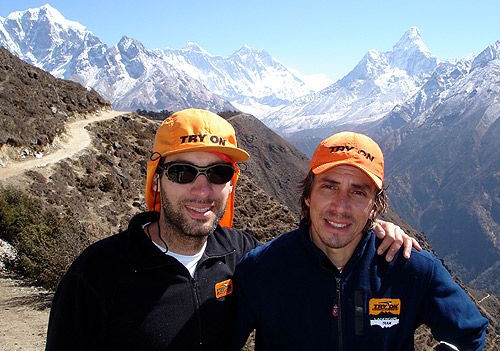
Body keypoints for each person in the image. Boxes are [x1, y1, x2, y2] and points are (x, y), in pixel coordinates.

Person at [45, 110, 421, 350]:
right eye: (182, 172)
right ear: (156, 181)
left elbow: (312, 251)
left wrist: (370, 228)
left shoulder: (242, 255)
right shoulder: (97, 275)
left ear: (231, 184)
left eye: (218, 173)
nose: (202, 190)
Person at [231, 131, 488, 350]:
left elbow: (469, 333)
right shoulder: (261, 269)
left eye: (358, 192)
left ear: (375, 206)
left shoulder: (410, 267)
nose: (340, 207)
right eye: (329, 187)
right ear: (308, 195)